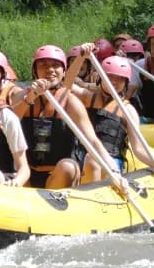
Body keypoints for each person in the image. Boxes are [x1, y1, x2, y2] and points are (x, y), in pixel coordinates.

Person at [13, 44, 121, 189]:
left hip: (60, 175)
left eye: (55, 65)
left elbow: (93, 141)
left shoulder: (71, 102)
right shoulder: (22, 97)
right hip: (28, 173)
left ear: (63, 71)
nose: (50, 69)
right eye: (43, 65)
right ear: (35, 71)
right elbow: (8, 125)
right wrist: (30, 98)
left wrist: (114, 171)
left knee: (67, 167)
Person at [76, 54, 154, 185]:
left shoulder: (128, 110)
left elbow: (138, 149)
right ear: (100, 78)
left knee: (92, 159)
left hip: (111, 162)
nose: (113, 82)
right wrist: (81, 57)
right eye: (110, 77)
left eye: (119, 79)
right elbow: (65, 87)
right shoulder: (87, 97)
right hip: (81, 156)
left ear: (126, 83)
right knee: (82, 160)